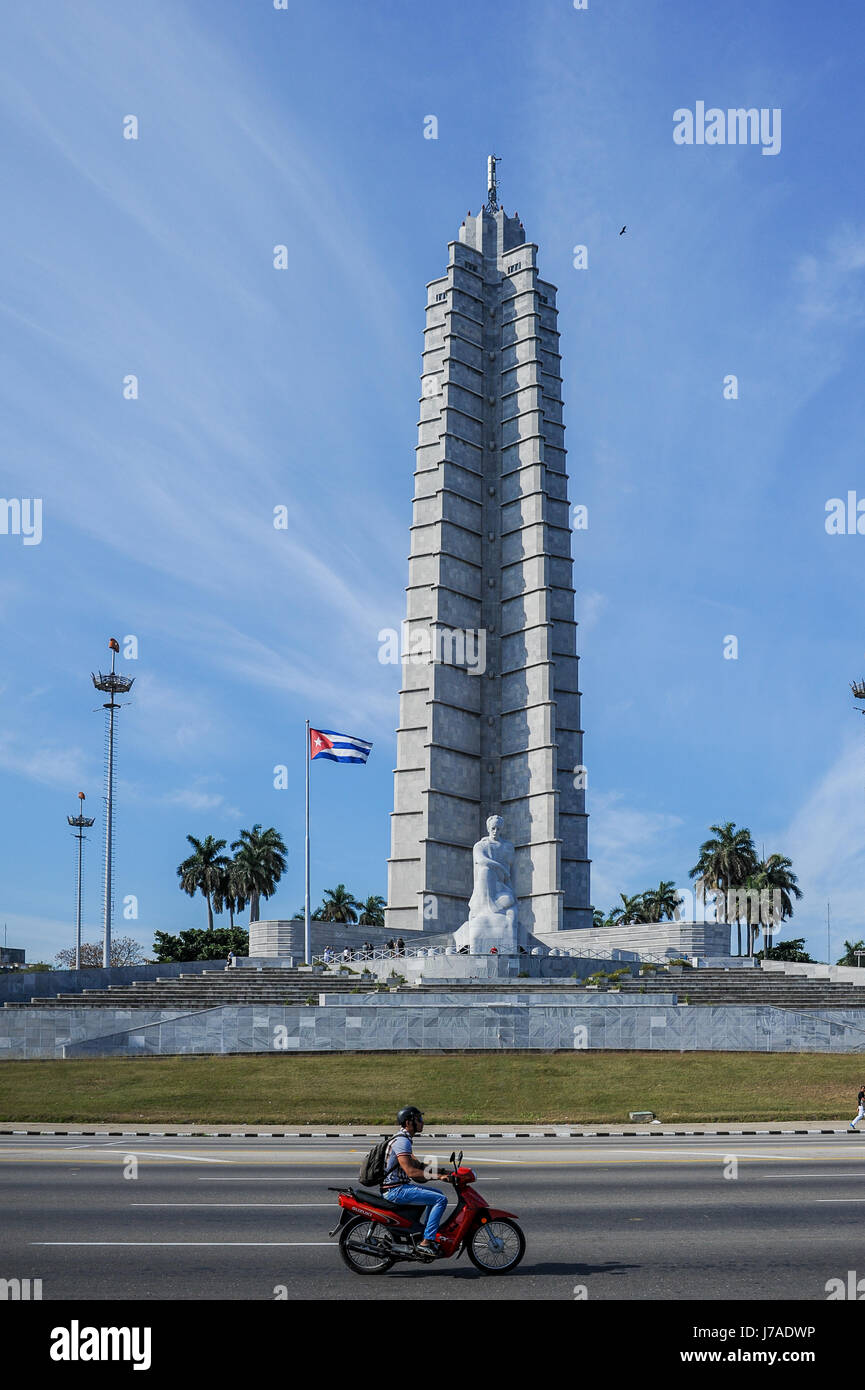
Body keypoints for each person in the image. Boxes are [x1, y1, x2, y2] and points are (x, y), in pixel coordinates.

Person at [382, 1105, 448, 1256]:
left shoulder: (404, 1139)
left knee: (437, 1194)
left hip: (398, 1187)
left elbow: (418, 1165)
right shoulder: (402, 1141)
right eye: (419, 1119)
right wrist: (439, 1177)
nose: (422, 1122)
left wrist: (444, 1171)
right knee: (440, 1200)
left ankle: (425, 1233)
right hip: (395, 1190)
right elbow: (411, 1172)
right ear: (408, 1122)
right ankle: (426, 1242)